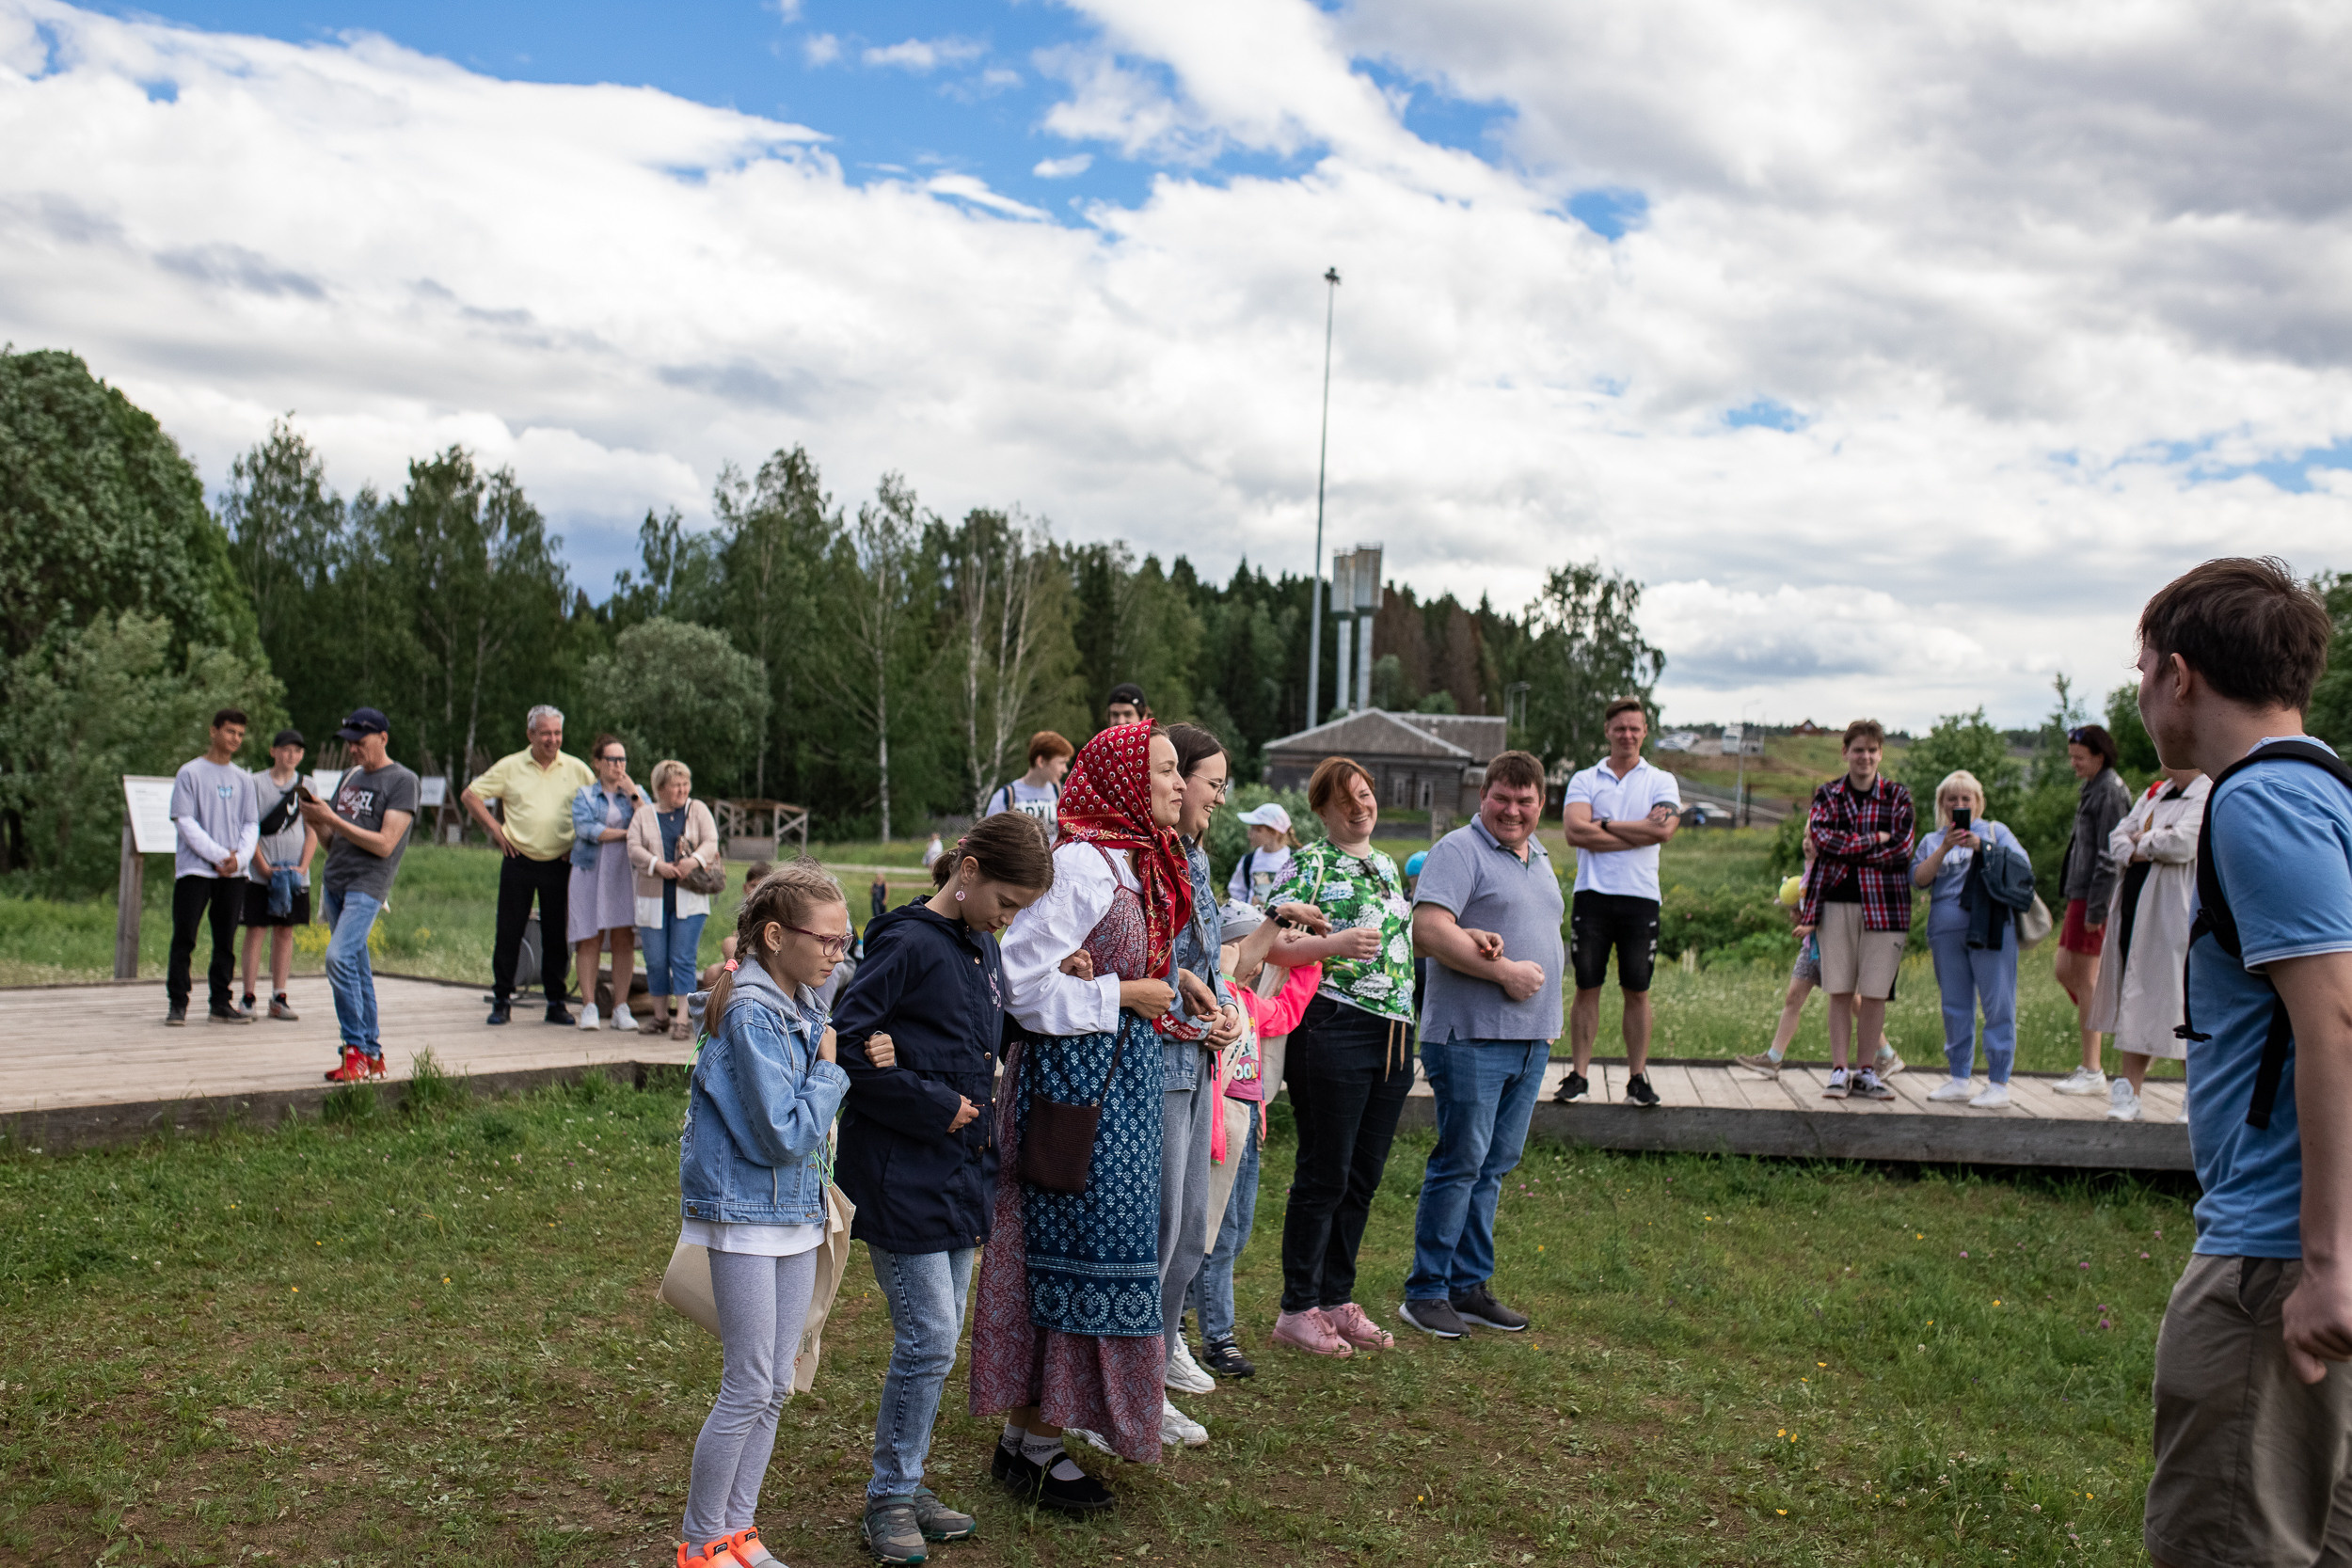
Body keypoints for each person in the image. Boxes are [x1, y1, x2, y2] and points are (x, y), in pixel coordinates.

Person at [2128, 557, 2352, 1568]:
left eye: (2139, 670)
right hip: (2298, 1248)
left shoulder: (2258, 803)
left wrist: (2323, 1263)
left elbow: (2336, 1019)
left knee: (2228, 1538)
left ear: (2179, 674)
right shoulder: (2325, 790)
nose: (2140, 693)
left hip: (2273, 1261)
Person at [969, 721, 1184, 1506]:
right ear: (1126, 779)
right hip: (1070, 1093)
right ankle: (1032, 1447)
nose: (1176, 784)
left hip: (1112, 1090)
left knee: (1098, 1254)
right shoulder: (1080, 864)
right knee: (1061, 1255)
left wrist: (1172, 994)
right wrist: (1122, 994)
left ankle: (1033, 1438)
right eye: (1162, 771)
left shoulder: (1128, 860)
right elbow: (1020, 986)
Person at [833, 813, 1056, 1562]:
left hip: (961, 1178)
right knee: (927, 1335)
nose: (1010, 917)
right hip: (901, 1178)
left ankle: (909, 1477)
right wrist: (933, 1103)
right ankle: (888, 1496)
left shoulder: (980, 946)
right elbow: (850, 1043)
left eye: (1022, 908)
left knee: (941, 1337)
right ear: (968, 870)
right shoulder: (904, 942)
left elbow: (973, 1037)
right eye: (1008, 899)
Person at [674, 861, 858, 1568]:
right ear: (777, 935)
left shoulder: (797, 993)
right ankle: (698, 1543)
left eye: (847, 941)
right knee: (749, 1381)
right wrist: (832, 1070)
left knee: (778, 1381)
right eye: (829, 941)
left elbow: (835, 978)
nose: (838, 955)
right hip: (747, 1213)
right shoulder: (753, 1011)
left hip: (790, 1211)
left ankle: (736, 1531)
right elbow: (781, 1131)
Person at [1403, 750, 1562, 1338]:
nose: (1513, 811)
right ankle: (1426, 1292)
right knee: (1461, 1162)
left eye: (1525, 801)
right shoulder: (1458, 851)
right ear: (1483, 797)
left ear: (1541, 805)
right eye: (1503, 798)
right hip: (1469, 1038)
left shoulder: (1539, 856)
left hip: (1528, 1040)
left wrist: (1543, 1018)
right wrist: (1504, 974)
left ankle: (1469, 1286)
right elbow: (1428, 929)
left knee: (1493, 1166)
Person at [1267, 755, 1415, 1358]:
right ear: (1322, 812)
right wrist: (1333, 944)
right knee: (1324, 1173)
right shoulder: (1310, 863)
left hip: (1395, 1035)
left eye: (1365, 795)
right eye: (1344, 802)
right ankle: (1297, 1308)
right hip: (1335, 1026)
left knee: (1362, 1177)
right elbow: (1266, 939)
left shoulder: (1384, 865)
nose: (1359, 808)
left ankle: (1335, 1298)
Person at [1152, 724, 1248, 1425]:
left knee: (1189, 1224)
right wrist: (1198, 1014)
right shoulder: (1151, 859)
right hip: (1161, 1061)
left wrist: (1227, 1013)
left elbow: (1206, 959)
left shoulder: (1199, 858)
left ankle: (1160, 1350)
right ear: (1176, 781)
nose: (1218, 795)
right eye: (1212, 781)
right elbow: (1151, 966)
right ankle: (1139, 1377)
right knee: (1159, 1225)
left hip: (1199, 1057)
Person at [1186, 901, 1320, 1380]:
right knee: (1214, 1240)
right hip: (1218, 1137)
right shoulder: (1210, 1004)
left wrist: (1310, 959)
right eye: (1240, 946)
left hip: (1249, 1134)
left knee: (1236, 1235)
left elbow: (1287, 1012)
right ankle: (1216, 1337)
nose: (1254, 958)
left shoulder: (1250, 1002)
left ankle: (1178, 1318)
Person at [1557, 697, 1680, 1107]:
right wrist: (1638, 830)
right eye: (1620, 728)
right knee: (1586, 986)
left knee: (1637, 991)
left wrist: (1605, 824)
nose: (1627, 735)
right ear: (1607, 731)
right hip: (1593, 896)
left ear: (1645, 732)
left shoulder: (1661, 781)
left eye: (1635, 728)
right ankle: (1578, 1075)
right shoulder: (1584, 778)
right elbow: (1575, 832)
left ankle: (1637, 1078)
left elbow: (1663, 832)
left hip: (1641, 899)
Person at [1788, 721, 1915, 1101]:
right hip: (1834, 903)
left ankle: (1866, 1072)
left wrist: (1850, 847)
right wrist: (1875, 839)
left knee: (1875, 993)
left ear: (1881, 754)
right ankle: (1839, 1069)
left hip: (1886, 907)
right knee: (1839, 990)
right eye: (1858, 750)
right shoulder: (1827, 795)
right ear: (1845, 752)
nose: (1866, 757)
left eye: (1872, 750)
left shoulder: (1898, 797)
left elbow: (1902, 850)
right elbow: (1822, 839)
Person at [295, 707, 418, 1082]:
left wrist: (332, 819)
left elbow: (384, 844)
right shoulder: (350, 776)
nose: (352, 751)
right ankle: (371, 1053)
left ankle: (354, 1049)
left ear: (382, 738)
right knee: (357, 968)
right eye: (348, 743)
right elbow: (336, 841)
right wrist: (316, 819)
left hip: (368, 884)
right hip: (336, 880)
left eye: (359, 743)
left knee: (337, 958)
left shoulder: (403, 781)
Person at [2089, 766, 2208, 1122]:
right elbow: (2117, 839)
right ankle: (2129, 1092)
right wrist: (2152, 839)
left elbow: (2184, 843)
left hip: (2176, 911)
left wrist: (2143, 840)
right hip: (2134, 909)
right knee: (2135, 994)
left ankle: (2195, 1097)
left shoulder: (2206, 791)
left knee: (2184, 1001)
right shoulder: (2156, 791)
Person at [463, 705, 595, 1026]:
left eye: (557, 733)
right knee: (509, 930)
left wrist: (577, 843)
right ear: (530, 734)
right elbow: (471, 794)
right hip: (517, 858)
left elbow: (595, 807)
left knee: (555, 934)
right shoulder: (510, 766)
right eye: (546, 733)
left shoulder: (577, 769)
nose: (552, 739)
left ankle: (556, 1002)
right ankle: (502, 1000)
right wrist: (495, 830)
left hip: (560, 861)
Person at [1910, 770, 2027, 1109]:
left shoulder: (1996, 831)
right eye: (1952, 800)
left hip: (1992, 927)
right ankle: (1959, 1076)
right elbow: (1918, 879)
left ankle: (1998, 1082)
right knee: (1955, 1005)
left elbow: (2023, 866)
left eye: (1966, 799)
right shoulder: (1933, 840)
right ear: (1942, 804)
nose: (1959, 805)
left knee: (1997, 1003)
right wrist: (1946, 846)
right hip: (1945, 930)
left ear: (1978, 802)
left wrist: (1985, 848)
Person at [1735, 835, 1899, 1076]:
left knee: (1852, 1002)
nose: (1806, 842)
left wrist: (1811, 924)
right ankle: (1773, 1059)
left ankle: (1886, 1054)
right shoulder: (1809, 870)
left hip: (1834, 946)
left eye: (1813, 837)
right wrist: (1797, 913)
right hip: (1811, 947)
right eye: (1804, 836)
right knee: (1793, 997)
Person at [165, 707, 260, 1027]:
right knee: (185, 937)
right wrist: (219, 855)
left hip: (233, 874)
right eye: (230, 731)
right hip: (196, 871)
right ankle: (178, 1002)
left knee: (226, 939)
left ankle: (221, 1001)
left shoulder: (244, 779)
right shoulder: (190, 774)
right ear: (214, 731)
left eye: (240, 734)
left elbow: (250, 824)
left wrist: (239, 860)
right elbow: (186, 822)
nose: (235, 739)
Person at [2052, 724, 2133, 1096]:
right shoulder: (2092, 788)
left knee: (2086, 980)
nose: (2073, 764)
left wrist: (2096, 910)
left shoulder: (2111, 793)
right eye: (2071, 757)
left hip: (2094, 897)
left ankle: (2092, 1068)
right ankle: (2098, 1027)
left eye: (2079, 758)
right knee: (2064, 970)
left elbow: (2108, 855)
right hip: (2079, 893)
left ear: (2099, 756)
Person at [630, 760, 722, 1041]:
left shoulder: (698, 810)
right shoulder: (644, 815)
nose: (682, 790)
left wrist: (692, 862)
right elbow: (633, 847)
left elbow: (711, 841)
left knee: (682, 958)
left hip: (690, 900)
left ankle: (681, 1019)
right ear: (660, 788)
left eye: (685, 784)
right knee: (656, 960)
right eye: (676, 785)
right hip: (653, 899)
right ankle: (659, 1016)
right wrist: (657, 864)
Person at [239, 728, 316, 1021]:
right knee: (256, 929)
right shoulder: (255, 783)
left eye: (297, 751)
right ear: (273, 751)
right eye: (285, 749)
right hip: (261, 872)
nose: (291, 755)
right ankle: (248, 995)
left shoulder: (307, 785)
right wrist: (261, 866)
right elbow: (250, 828)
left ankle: (279, 995)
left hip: (295, 873)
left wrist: (303, 867)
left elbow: (313, 830)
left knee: (285, 932)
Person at [568, 735, 644, 1032]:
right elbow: (590, 830)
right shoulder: (584, 796)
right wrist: (628, 834)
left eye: (622, 759)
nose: (618, 765)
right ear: (597, 762)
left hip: (625, 872)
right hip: (591, 870)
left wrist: (634, 793)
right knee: (590, 936)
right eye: (612, 759)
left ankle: (621, 1007)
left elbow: (650, 822)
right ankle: (588, 1005)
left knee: (624, 937)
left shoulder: (635, 795)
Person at [984, 731, 1075, 836]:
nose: (1065, 769)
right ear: (1041, 761)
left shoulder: (1063, 794)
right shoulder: (1005, 796)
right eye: (1062, 762)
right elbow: (988, 838)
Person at [1227, 801, 1298, 906]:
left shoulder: (1293, 860)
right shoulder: (1249, 860)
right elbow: (1236, 890)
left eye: (1256, 830)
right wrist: (1246, 907)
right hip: (1254, 920)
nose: (1250, 833)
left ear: (1274, 832)